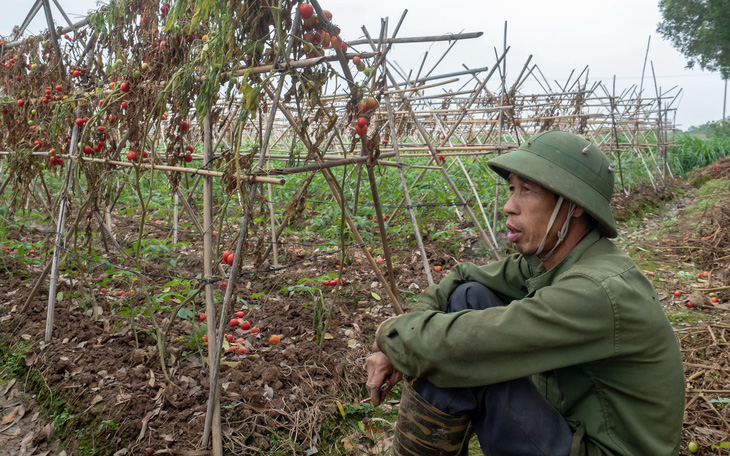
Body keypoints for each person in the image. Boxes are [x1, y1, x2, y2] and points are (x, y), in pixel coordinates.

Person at [366, 130, 685, 456]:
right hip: (574, 429)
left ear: (573, 205)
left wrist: (386, 335)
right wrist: (405, 332)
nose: (508, 206)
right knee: (468, 296)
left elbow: (465, 343)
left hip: (599, 449)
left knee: (453, 348)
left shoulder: (595, 290)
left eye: (528, 190)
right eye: (511, 189)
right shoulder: (552, 261)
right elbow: (464, 277)